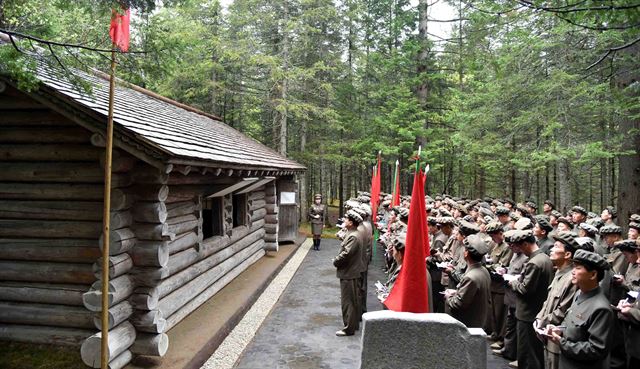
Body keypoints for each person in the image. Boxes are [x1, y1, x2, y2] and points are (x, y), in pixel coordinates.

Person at [547, 250, 614, 369]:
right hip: (567, 361)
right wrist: (559, 329)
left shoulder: (601, 308)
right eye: (573, 267)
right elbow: (573, 325)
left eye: (578, 268)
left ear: (593, 275)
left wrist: (562, 343)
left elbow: (596, 349)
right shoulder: (579, 294)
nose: (573, 272)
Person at [507, 229, 554, 369]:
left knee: (527, 354)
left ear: (526, 244)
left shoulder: (534, 262)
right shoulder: (544, 258)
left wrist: (513, 282)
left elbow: (525, 290)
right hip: (536, 311)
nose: (520, 251)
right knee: (534, 353)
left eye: (520, 247)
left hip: (528, 314)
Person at [535, 232, 581, 369]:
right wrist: (539, 319)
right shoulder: (559, 273)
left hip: (557, 337)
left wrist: (542, 322)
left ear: (567, 255)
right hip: (546, 333)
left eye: (556, 246)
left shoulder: (571, 279)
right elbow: (548, 302)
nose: (551, 249)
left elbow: (563, 310)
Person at [444, 234, 492, 328]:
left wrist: (448, 296)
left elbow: (458, 304)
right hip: (479, 321)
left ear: (466, 253)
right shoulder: (483, 270)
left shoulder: (470, 277)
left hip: (468, 324)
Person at [333, 209, 365, 337]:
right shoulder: (352, 233)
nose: (344, 221)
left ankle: (348, 328)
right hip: (351, 271)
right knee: (352, 300)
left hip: (349, 272)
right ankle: (353, 325)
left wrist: (335, 261)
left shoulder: (353, 236)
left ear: (351, 223)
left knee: (348, 302)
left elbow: (346, 254)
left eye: (346, 219)